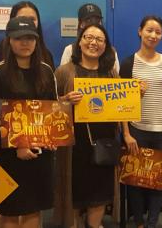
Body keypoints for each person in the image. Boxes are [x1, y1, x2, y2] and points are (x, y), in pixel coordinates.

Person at [0, 16, 57, 228]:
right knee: (10, 209)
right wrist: (18, 143)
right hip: (9, 153)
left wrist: (52, 138)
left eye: (30, 38)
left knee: (34, 207)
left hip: (39, 152)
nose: (25, 43)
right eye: (19, 38)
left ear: (36, 41)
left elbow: (53, 110)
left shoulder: (46, 71)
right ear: (9, 40)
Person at [120, 15, 162, 228]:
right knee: (136, 180)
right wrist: (127, 134)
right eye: (149, 30)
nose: (153, 35)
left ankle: (152, 223)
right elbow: (122, 102)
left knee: (159, 180)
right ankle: (139, 222)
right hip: (138, 130)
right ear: (140, 31)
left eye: (158, 32)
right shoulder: (129, 63)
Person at [54, 23, 118, 228]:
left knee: (100, 191)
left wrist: (135, 97)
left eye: (99, 40)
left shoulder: (111, 73)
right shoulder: (64, 72)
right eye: (88, 37)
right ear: (79, 42)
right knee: (75, 190)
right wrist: (64, 99)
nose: (93, 43)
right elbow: (50, 106)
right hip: (75, 144)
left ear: (105, 46)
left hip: (104, 141)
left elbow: (122, 106)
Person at [0, 1, 55, 70]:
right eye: (22, 18)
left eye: (32, 19)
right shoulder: (1, 52)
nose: (27, 22)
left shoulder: (46, 54)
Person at [60, 3, 119, 71]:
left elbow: (116, 78)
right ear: (81, 24)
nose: (93, 24)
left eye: (97, 21)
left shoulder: (111, 52)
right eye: (88, 21)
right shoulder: (70, 50)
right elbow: (63, 77)